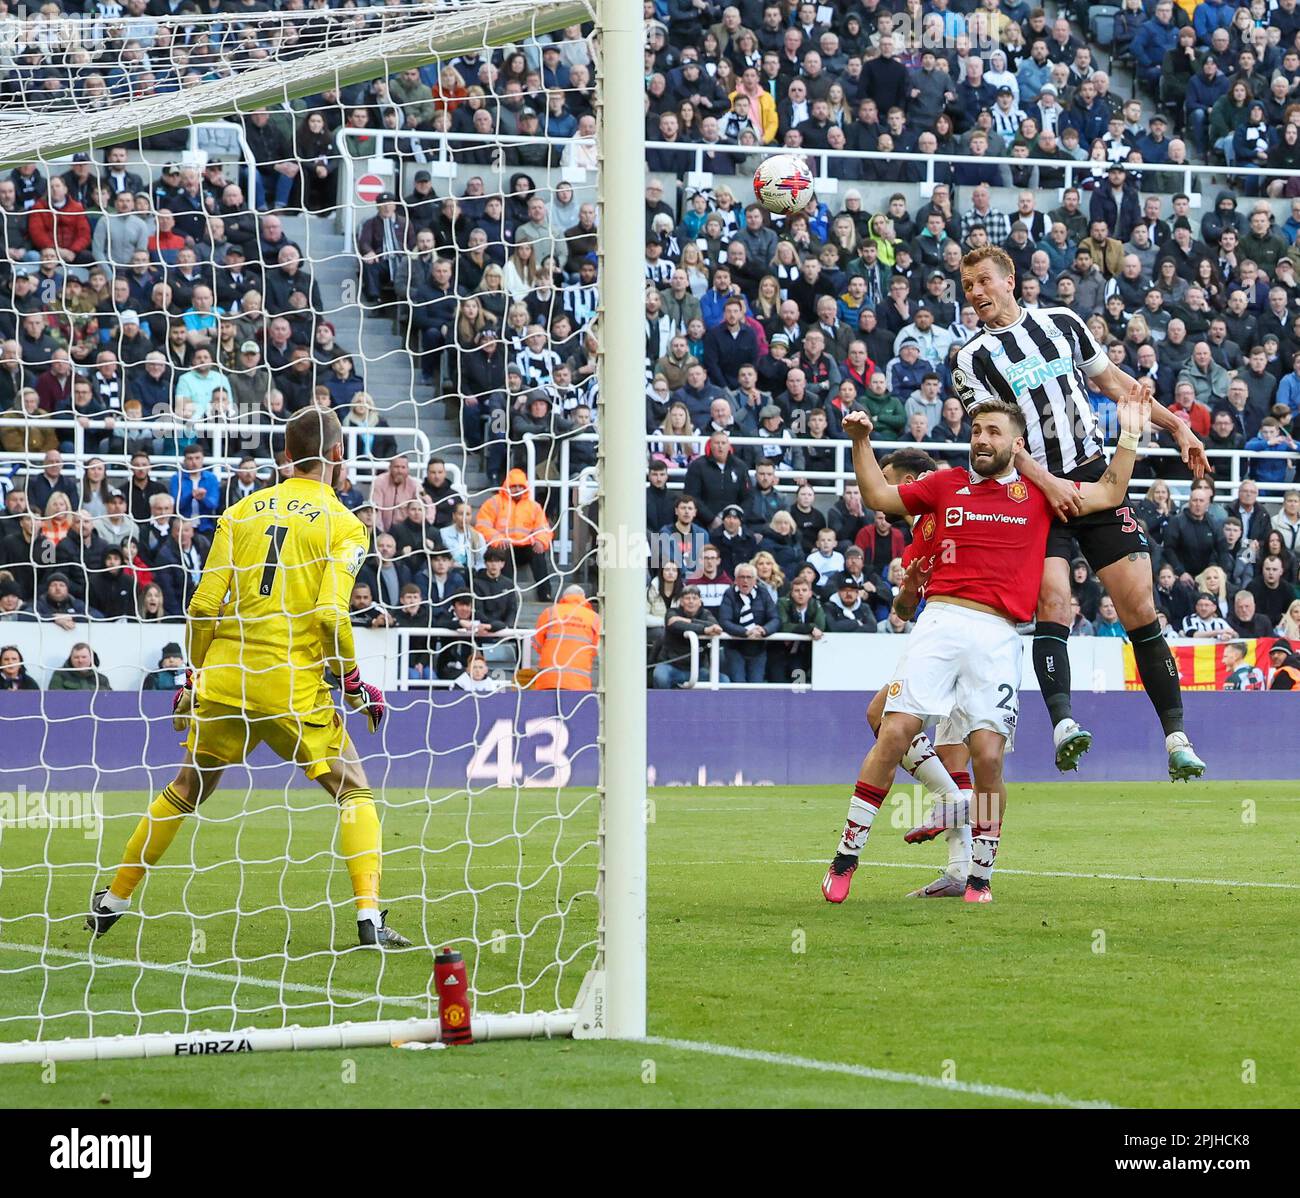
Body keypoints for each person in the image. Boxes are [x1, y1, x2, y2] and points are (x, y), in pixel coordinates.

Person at [87, 409, 408, 950]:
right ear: (337, 457)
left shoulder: (237, 513)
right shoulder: (345, 525)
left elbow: (202, 606)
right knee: (353, 789)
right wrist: (353, 683)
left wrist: (193, 676)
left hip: (226, 676)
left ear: (285, 457)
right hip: (290, 683)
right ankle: (368, 919)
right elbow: (332, 616)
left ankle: (115, 899)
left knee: (187, 788)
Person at [822, 387, 1148, 905]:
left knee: (988, 756)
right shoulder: (945, 484)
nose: (981, 439)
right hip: (943, 621)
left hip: (999, 634)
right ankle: (846, 857)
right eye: (976, 431)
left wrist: (1129, 434)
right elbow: (880, 498)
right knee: (893, 728)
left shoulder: (1040, 495)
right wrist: (862, 442)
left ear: (1018, 443)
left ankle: (979, 875)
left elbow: (1108, 493)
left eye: (994, 431)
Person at [951, 245, 1207, 781]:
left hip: (1092, 475)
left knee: (1139, 605)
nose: (975, 294)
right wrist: (1045, 481)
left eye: (982, 282)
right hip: (1031, 494)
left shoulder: (1062, 323)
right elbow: (996, 437)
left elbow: (1114, 383)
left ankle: (1177, 738)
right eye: (968, 285)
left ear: (1010, 278)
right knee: (1055, 601)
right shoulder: (971, 359)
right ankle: (1065, 724)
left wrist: (1177, 425)